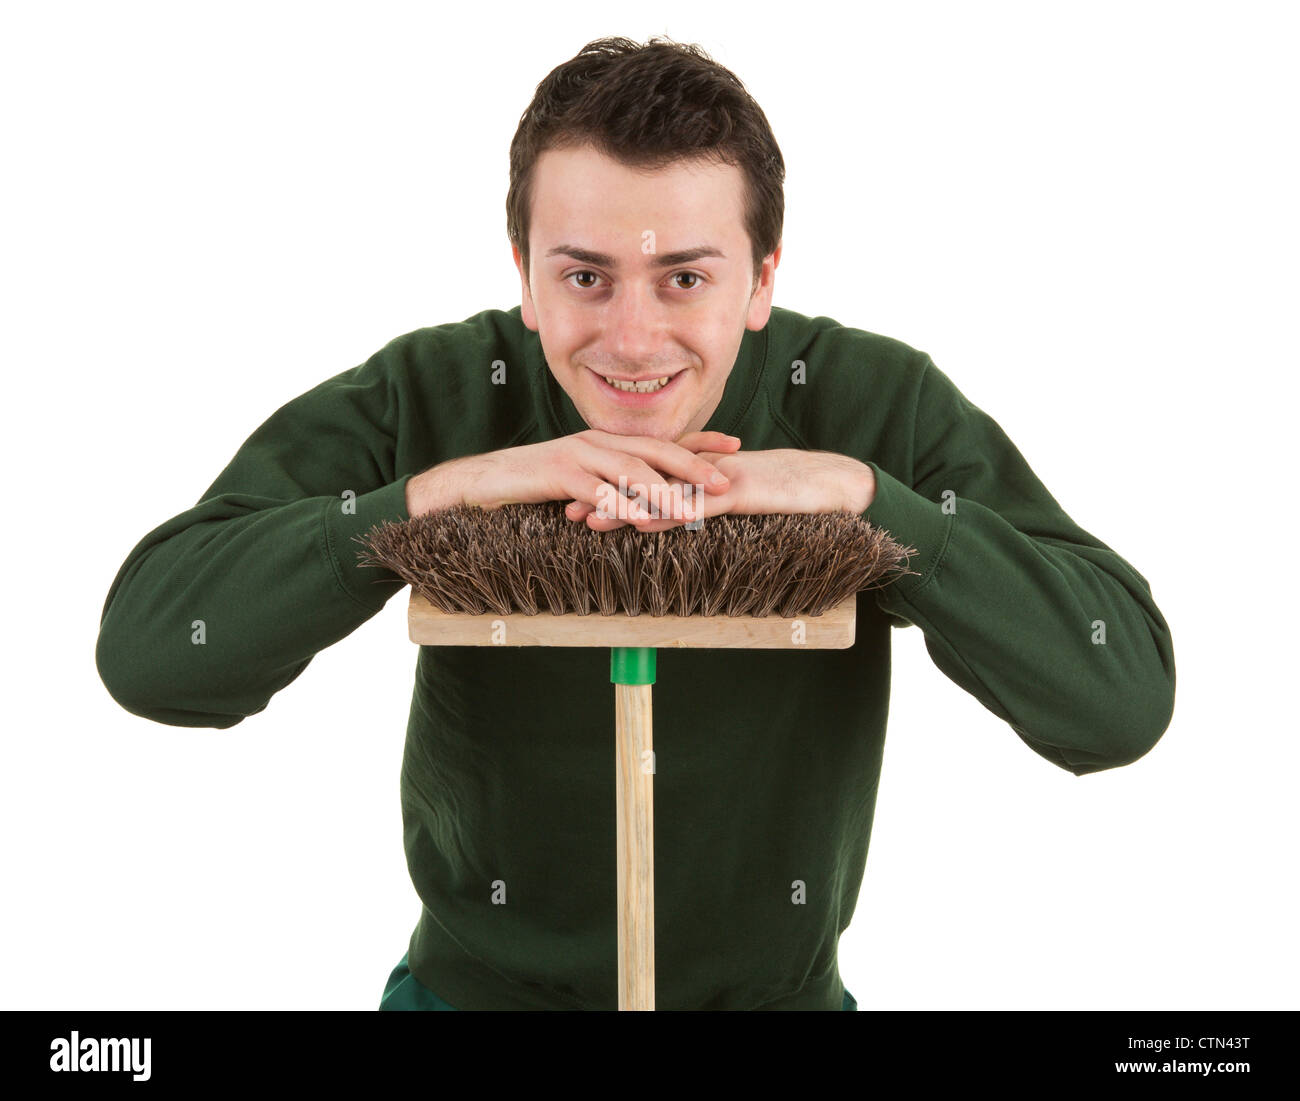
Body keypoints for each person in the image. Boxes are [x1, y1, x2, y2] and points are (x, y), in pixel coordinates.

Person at [95, 35, 1176, 1011]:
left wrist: (874, 505)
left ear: (761, 281)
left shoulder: (867, 401)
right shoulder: (435, 389)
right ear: (523, 274)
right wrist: (426, 499)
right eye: (584, 277)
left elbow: (1116, 700)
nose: (631, 337)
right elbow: (154, 653)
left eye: (684, 278)